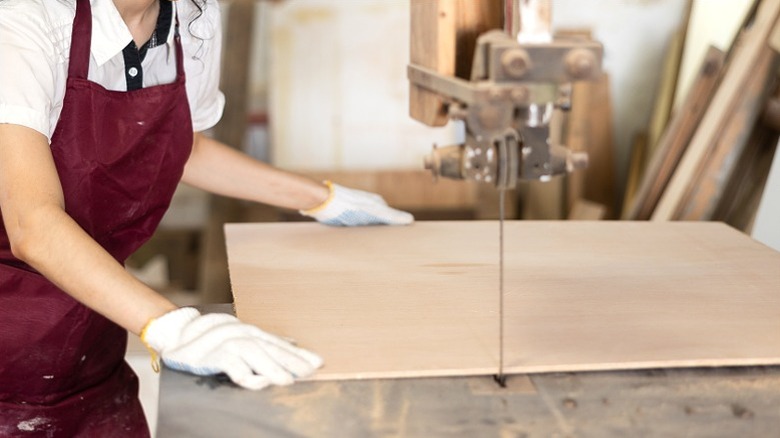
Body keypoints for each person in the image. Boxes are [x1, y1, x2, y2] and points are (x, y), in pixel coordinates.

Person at [0, 0, 413, 435]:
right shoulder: (26, 20)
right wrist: (172, 326)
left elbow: (183, 147)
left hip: (92, 341)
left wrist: (321, 199)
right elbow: (34, 225)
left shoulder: (192, 17)